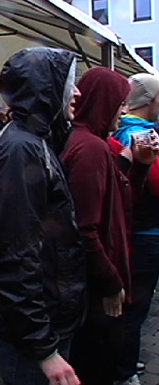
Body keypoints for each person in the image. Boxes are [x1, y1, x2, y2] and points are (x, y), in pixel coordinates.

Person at [0, 47, 85, 385]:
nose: (78, 93)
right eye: (70, 82)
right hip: (36, 335)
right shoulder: (20, 149)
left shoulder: (35, 141)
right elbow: (12, 256)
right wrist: (43, 348)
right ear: (47, 89)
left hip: (47, 320)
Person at [61, 67, 156, 385]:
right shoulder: (90, 148)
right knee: (96, 361)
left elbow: (119, 201)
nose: (124, 110)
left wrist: (138, 165)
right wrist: (111, 282)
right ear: (105, 102)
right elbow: (85, 227)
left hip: (101, 272)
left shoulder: (97, 143)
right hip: (97, 280)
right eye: (120, 103)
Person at [113, 73, 159, 385]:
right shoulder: (142, 135)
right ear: (152, 101)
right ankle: (123, 369)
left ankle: (125, 361)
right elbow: (155, 185)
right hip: (145, 234)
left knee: (132, 308)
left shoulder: (127, 131)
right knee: (134, 309)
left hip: (136, 231)